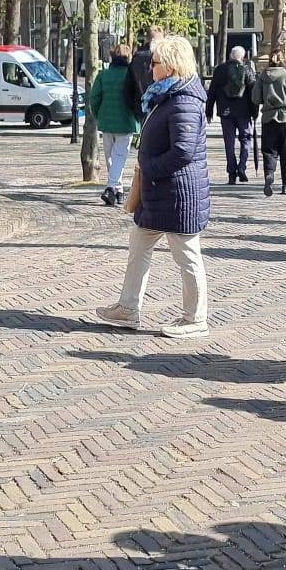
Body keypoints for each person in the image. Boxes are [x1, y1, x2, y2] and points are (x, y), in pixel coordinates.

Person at [95, 32, 210, 337]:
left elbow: (183, 151)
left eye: (155, 62)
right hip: (159, 193)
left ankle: (195, 318)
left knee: (186, 254)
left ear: (170, 67)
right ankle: (128, 308)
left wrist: (149, 167)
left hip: (177, 193)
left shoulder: (183, 101)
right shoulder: (166, 96)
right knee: (139, 245)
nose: (150, 68)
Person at [90, 44, 141, 205]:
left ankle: (114, 189)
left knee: (110, 157)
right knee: (119, 156)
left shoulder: (103, 75)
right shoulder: (132, 75)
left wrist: (98, 114)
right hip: (126, 121)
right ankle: (114, 188)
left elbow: (94, 98)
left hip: (106, 121)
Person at [252, 49, 286, 196]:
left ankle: (269, 174)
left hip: (269, 118)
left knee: (269, 150)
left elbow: (255, 98)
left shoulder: (262, 78)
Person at [206, 44, 256, 184]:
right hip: (244, 112)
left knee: (229, 142)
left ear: (230, 56)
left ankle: (231, 173)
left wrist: (209, 111)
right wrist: (254, 111)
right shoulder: (247, 70)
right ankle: (242, 166)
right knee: (246, 139)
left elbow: (212, 92)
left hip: (225, 111)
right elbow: (253, 92)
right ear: (243, 57)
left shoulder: (220, 70)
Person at [125, 26, 163, 115]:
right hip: (162, 106)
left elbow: (128, 87)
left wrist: (135, 108)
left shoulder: (136, 59)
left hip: (142, 108)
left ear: (147, 39)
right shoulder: (165, 58)